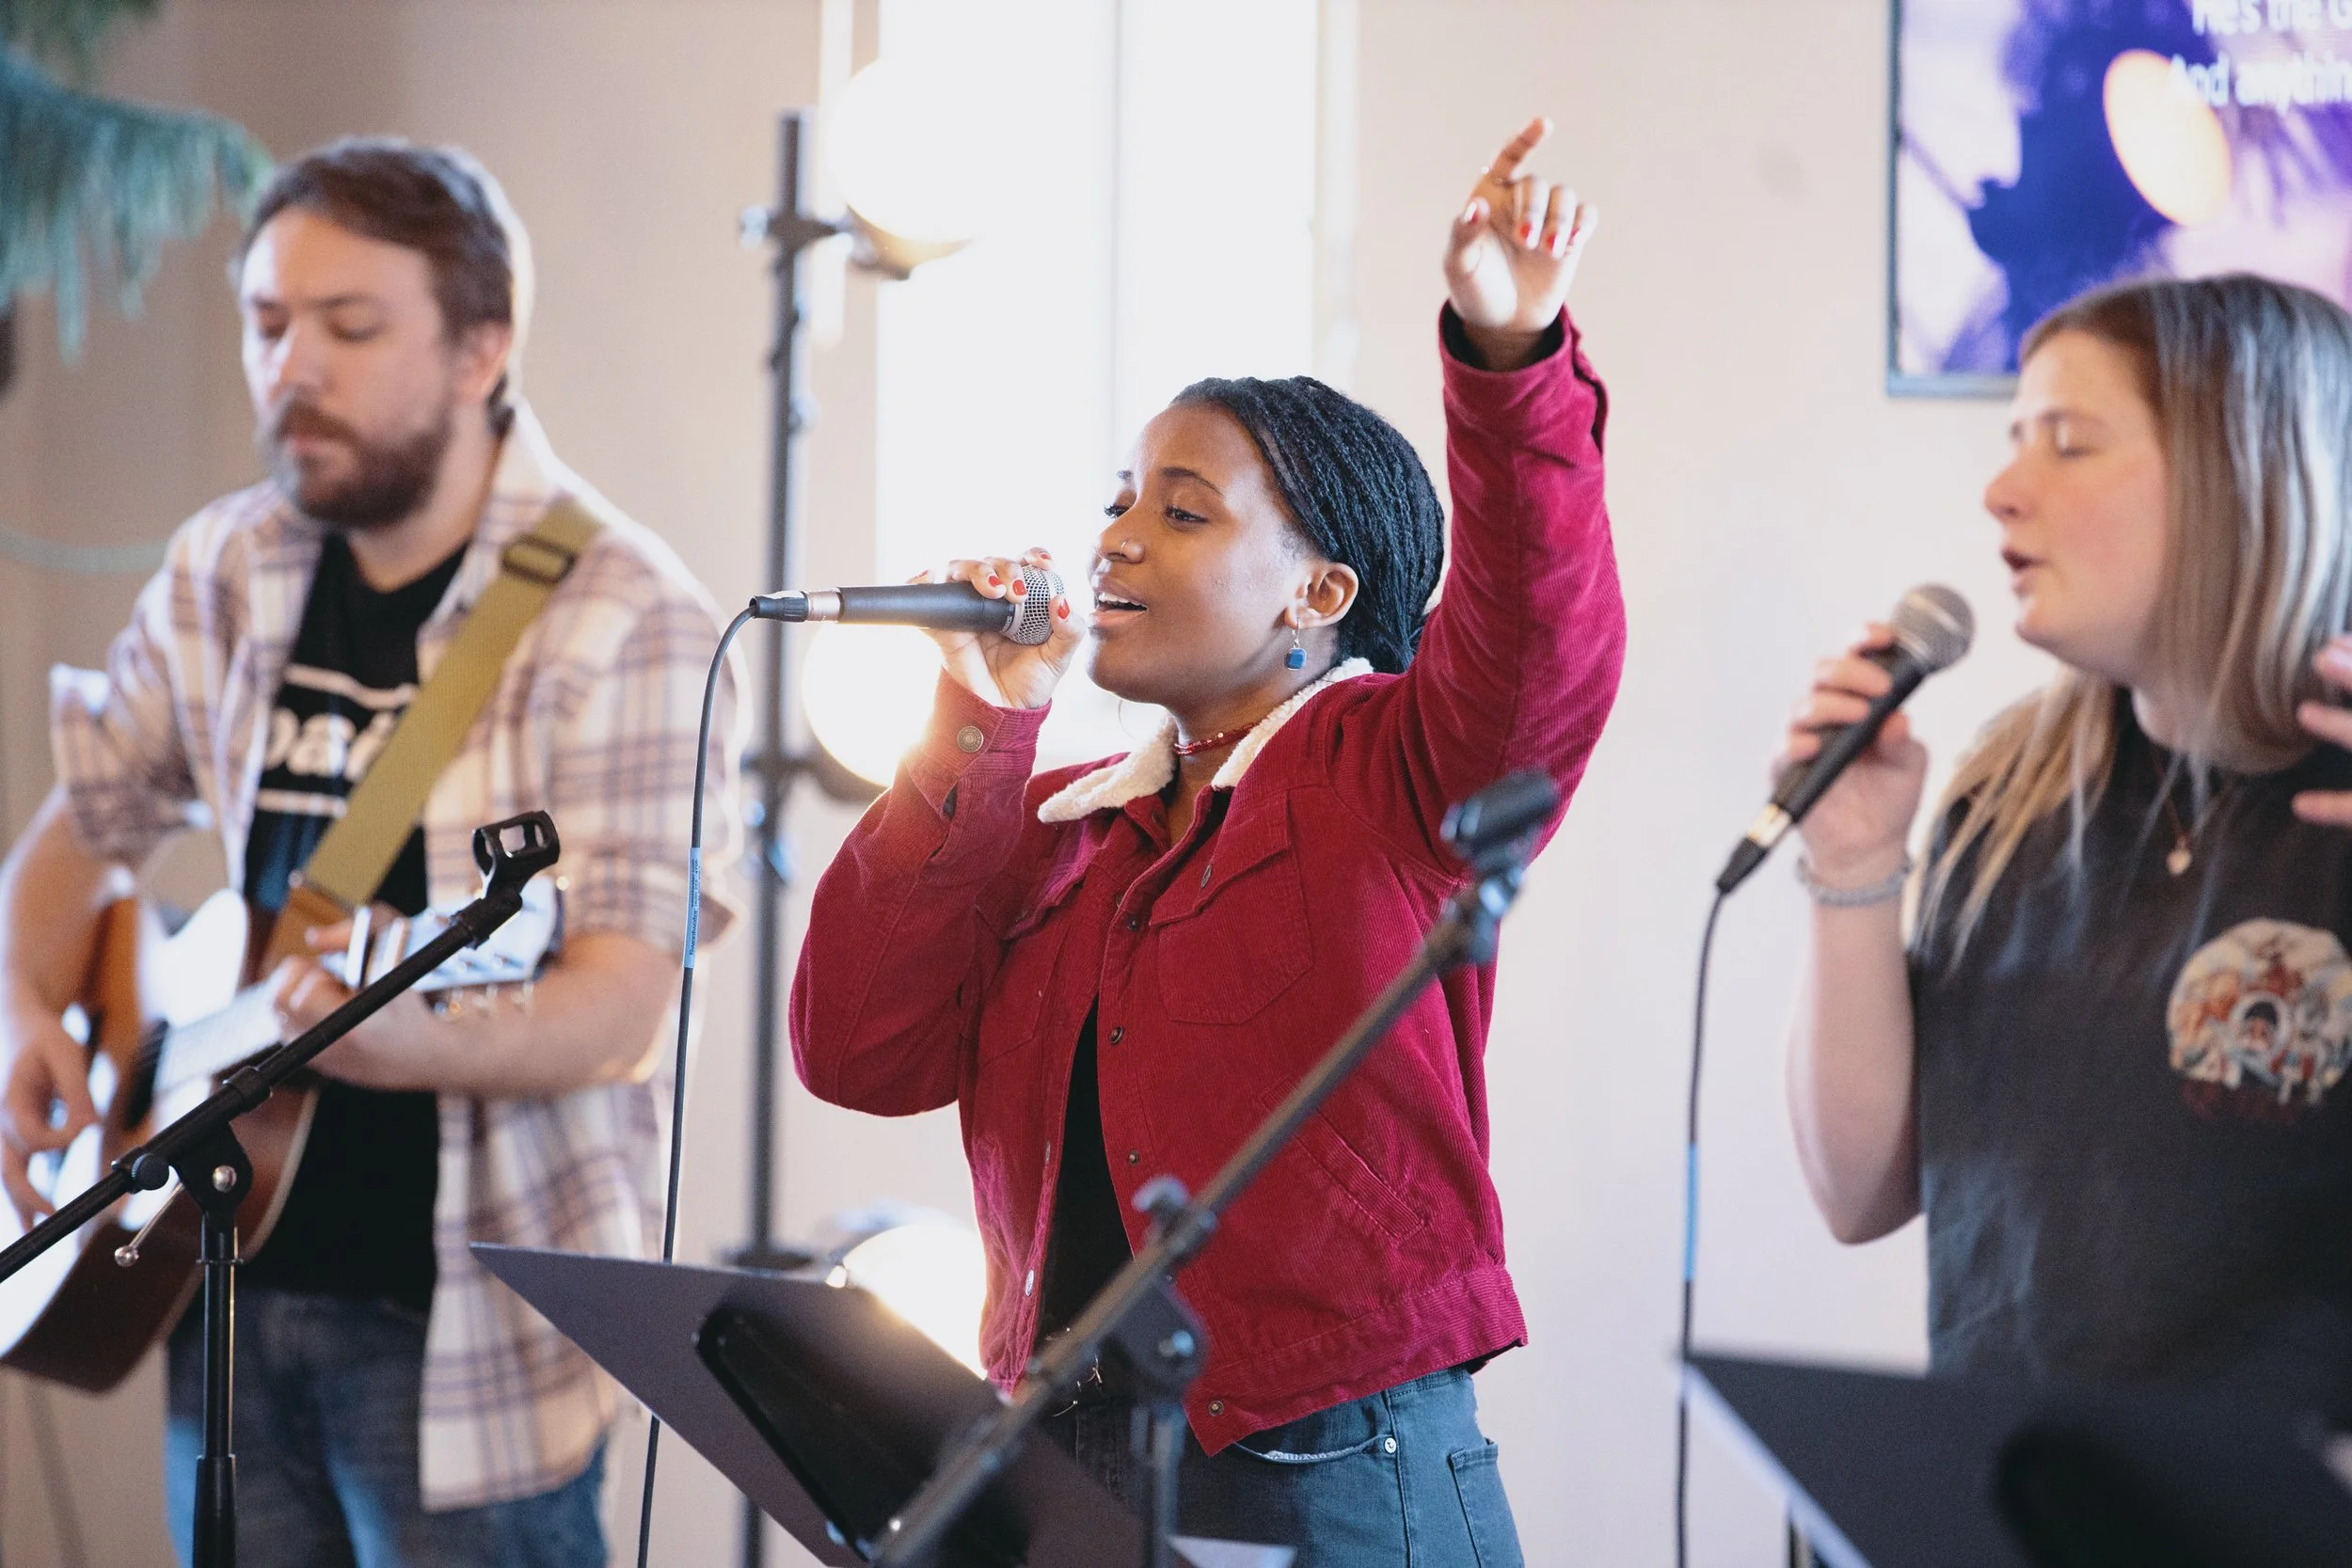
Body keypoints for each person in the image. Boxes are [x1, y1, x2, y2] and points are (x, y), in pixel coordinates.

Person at [790, 119, 1622, 1564]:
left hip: (1329, 1454)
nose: (1115, 539)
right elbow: (859, 1048)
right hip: (1065, 1451)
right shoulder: (1064, 826)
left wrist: (1512, 356)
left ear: (1320, 592)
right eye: (1118, 499)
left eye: (1181, 511)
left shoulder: (1389, 772)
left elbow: (1540, 644)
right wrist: (983, 729)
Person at [0, 138, 737, 1566]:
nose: (291, 369)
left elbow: (625, 998)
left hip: (466, 1337)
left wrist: (385, 1043)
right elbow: (85, 823)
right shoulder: (232, 562)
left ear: (482, 349)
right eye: (268, 325)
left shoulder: (624, 612)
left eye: (349, 328)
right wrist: (22, 1008)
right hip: (223, 1286)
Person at [1783, 273, 2352, 1416]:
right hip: (2019, 1504)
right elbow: (1859, 1191)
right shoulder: (2006, 797)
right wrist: (1849, 868)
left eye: (2067, 444)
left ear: (2240, 476)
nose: (2000, 491)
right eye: (2009, 441)